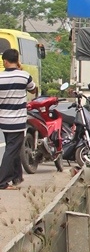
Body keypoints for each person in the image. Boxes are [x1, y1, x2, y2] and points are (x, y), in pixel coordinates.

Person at [0, 49, 36, 189]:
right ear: (17, 60)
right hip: (18, 120)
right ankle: (2, 181)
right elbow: (33, 90)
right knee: (11, 150)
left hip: (4, 120)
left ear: (5, 61)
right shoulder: (24, 76)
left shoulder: (0, 77)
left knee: (12, 148)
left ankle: (17, 178)